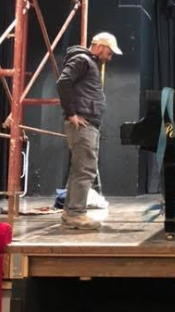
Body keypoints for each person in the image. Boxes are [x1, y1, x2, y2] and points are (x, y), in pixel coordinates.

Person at [56, 32, 121, 230]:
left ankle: (70, 212)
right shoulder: (83, 60)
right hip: (83, 125)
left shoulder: (87, 62)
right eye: (109, 53)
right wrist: (71, 114)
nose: (110, 58)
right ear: (100, 46)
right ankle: (76, 214)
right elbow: (63, 82)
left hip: (88, 124)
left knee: (81, 169)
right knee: (85, 169)